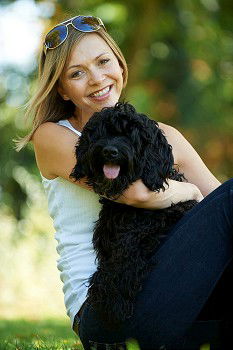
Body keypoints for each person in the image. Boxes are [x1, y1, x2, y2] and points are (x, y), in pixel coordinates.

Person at [16, 15, 232, 350]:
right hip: (106, 310)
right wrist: (188, 191)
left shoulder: (163, 136)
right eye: (77, 73)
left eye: (103, 62)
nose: (96, 79)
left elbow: (219, 206)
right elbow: (134, 192)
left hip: (173, 296)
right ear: (61, 88)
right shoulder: (53, 136)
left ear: (120, 63)